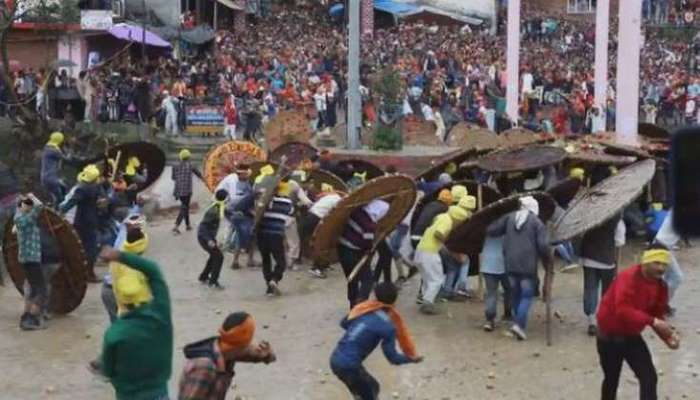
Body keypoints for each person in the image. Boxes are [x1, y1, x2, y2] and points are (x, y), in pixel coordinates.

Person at [596, 246, 679, 400]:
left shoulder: (661, 286)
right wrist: (653, 321)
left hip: (631, 336)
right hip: (609, 336)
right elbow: (623, 310)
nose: (661, 268)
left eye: (664, 264)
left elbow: (657, 314)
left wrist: (667, 337)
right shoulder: (627, 278)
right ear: (646, 262)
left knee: (649, 377)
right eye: (657, 262)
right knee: (611, 380)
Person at [98, 247, 173, 400]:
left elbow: (108, 371)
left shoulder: (114, 334)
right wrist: (120, 255)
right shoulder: (161, 314)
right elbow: (153, 271)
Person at [330, 282, 423, 400]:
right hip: (350, 366)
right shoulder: (388, 326)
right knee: (371, 392)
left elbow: (344, 323)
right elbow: (392, 358)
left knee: (371, 387)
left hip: (335, 359)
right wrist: (411, 359)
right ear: (395, 301)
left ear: (375, 297)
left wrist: (361, 329)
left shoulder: (362, 310)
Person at [486, 196, 552, 340]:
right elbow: (543, 245)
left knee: (515, 293)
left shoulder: (509, 218)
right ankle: (519, 325)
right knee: (527, 295)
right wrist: (548, 261)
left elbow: (492, 230)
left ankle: (517, 323)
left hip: (510, 263)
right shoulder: (536, 223)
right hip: (528, 266)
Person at [178, 312, 276, 399]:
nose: (251, 345)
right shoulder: (205, 367)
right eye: (248, 342)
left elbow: (260, 356)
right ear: (241, 345)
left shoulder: (226, 349)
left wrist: (266, 355)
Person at [414, 204, 469, 315]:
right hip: (430, 252)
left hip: (421, 250)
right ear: (457, 219)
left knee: (427, 279)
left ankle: (426, 300)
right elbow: (438, 233)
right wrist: (446, 242)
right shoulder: (447, 221)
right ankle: (428, 303)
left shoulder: (441, 217)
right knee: (437, 279)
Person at [337, 200, 390, 308]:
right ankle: (360, 306)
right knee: (367, 280)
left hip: (342, 249)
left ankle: (353, 305)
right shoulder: (369, 225)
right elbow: (367, 244)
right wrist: (370, 248)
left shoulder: (356, 211)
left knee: (352, 279)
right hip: (354, 252)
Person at [579, 215, 625, 336]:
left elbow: (580, 235)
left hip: (588, 257)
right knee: (607, 292)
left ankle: (592, 321)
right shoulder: (617, 220)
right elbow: (619, 243)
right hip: (607, 261)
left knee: (590, 289)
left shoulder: (589, 216)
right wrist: (617, 264)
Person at [59, 164, 105, 282]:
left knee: (82, 247)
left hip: (82, 221)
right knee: (90, 248)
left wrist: (60, 210)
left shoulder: (83, 188)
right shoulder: (95, 187)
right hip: (90, 221)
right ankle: (88, 273)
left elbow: (72, 202)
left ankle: (84, 273)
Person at [13, 194, 46, 330]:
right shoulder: (24, 219)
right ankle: (30, 319)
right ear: (22, 206)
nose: (29, 205)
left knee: (33, 289)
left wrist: (24, 203)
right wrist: (32, 197)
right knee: (41, 290)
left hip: (28, 259)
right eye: (26, 204)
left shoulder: (19, 218)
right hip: (31, 259)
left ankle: (27, 316)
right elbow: (40, 207)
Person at [258, 181, 295, 296]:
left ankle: (269, 287)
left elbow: (257, 212)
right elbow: (291, 214)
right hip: (276, 235)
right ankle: (275, 279)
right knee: (281, 261)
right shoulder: (288, 202)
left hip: (261, 234)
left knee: (266, 260)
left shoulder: (265, 201)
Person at [305, 183, 343, 278]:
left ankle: (324, 264)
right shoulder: (338, 200)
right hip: (317, 218)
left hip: (311, 216)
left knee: (319, 243)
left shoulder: (331, 196)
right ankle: (317, 268)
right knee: (321, 243)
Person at [480, 222, 512, 332]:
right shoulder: (508, 232)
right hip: (504, 265)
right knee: (509, 290)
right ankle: (508, 313)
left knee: (491, 293)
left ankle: (489, 320)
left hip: (487, 265)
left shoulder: (486, 232)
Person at [197, 189, 228, 289]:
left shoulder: (219, 207)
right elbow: (203, 227)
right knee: (219, 257)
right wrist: (209, 240)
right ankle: (213, 282)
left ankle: (204, 276)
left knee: (214, 256)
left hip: (209, 237)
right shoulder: (214, 211)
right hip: (205, 238)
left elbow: (228, 212)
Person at [172, 149, 203, 234]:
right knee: (184, 207)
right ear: (189, 157)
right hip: (187, 191)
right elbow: (199, 175)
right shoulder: (191, 165)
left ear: (180, 157)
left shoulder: (175, 166)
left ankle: (188, 225)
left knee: (185, 206)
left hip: (178, 190)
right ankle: (176, 225)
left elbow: (173, 178)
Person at [40, 132, 68, 206]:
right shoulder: (54, 151)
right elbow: (67, 159)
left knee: (64, 188)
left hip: (47, 177)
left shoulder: (47, 147)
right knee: (60, 198)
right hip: (51, 178)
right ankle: (56, 211)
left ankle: (53, 206)